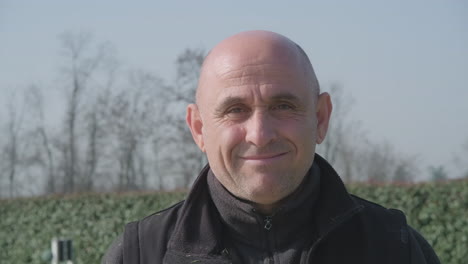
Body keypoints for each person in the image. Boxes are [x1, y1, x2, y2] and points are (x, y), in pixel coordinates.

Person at [103, 30, 440, 264]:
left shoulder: (394, 248)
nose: (260, 134)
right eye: (235, 110)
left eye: (283, 106)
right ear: (199, 129)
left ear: (320, 118)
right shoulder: (140, 254)